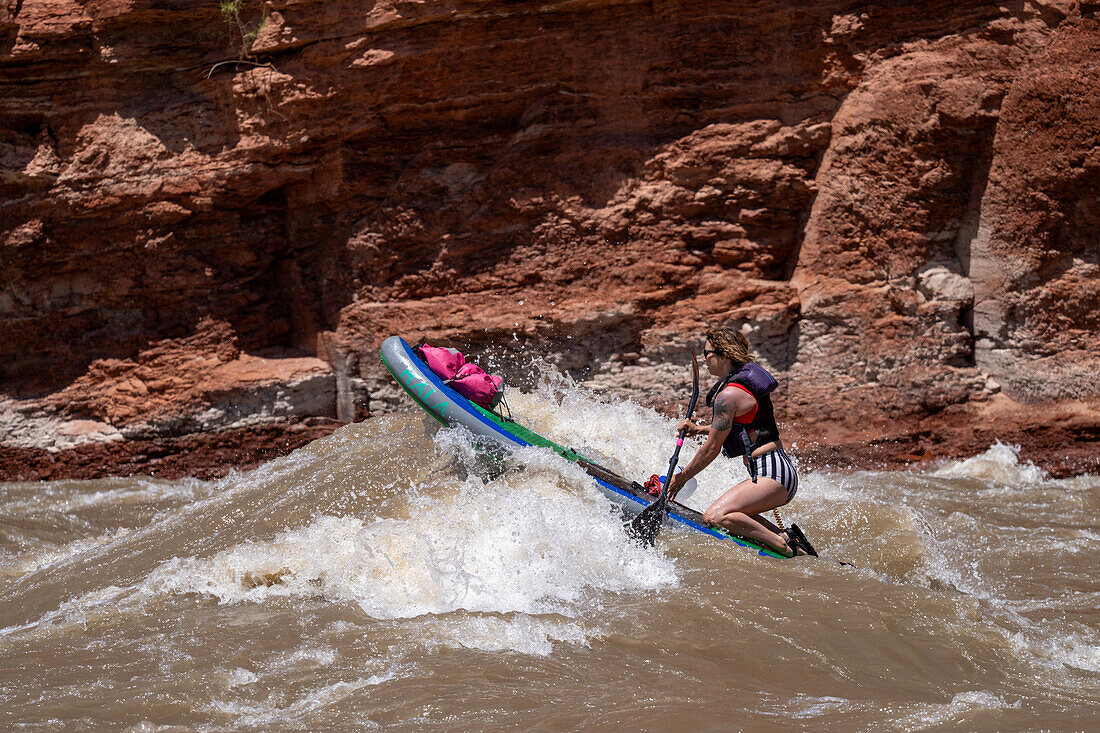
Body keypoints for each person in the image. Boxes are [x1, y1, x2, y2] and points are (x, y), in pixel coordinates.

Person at [664, 327, 817, 557]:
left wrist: (681, 478)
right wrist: (699, 429)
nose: (705, 359)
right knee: (737, 515)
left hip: (772, 472)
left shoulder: (727, 396)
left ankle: (784, 548)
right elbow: (738, 427)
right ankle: (789, 539)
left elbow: (712, 449)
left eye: (708, 353)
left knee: (716, 516)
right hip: (778, 470)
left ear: (723, 354)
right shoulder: (739, 389)